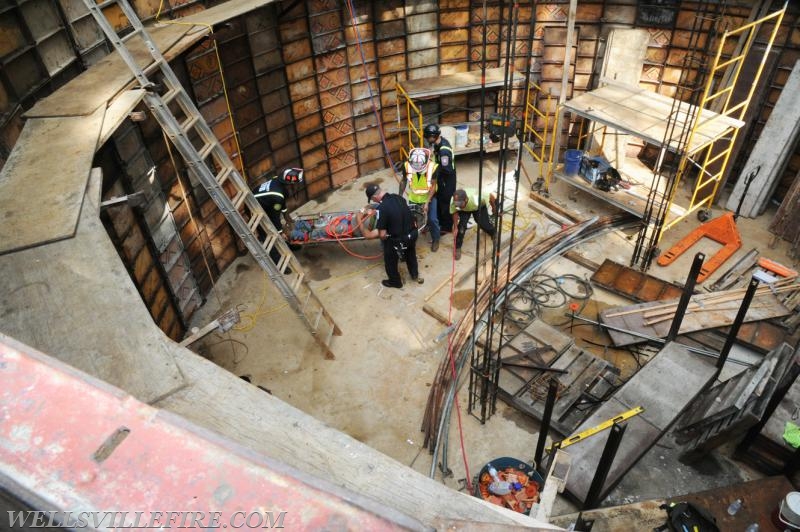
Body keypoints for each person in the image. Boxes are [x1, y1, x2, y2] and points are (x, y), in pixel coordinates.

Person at [366, 184, 424, 288]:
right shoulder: (399, 197)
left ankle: (395, 282)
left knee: (389, 258)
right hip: (412, 234)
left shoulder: (381, 208)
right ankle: (414, 274)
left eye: (372, 200)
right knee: (410, 253)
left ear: (374, 198)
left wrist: (384, 235)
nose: (374, 202)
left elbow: (382, 234)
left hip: (399, 240)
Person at [252, 168, 304, 267]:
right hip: (255, 207)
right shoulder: (277, 195)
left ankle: (288, 245)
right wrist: (280, 232)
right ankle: (278, 263)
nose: (296, 186)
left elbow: (281, 202)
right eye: (296, 183)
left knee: (279, 228)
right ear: (290, 183)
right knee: (269, 234)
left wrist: (287, 216)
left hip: (265, 202)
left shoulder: (278, 181)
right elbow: (275, 217)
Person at [401, 147, 440, 252]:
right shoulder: (406, 166)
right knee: (413, 221)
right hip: (414, 197)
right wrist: (399, 197)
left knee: (432, 219)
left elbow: (433, 186)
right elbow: (403, 181)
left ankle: (436, 239)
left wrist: (427, 202)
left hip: (430, 197)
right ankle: (413, 239)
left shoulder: (433, 167)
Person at [424, 124, 456, 235]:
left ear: (434, 136)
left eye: (428, 137)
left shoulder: (444, 151)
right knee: (439, 200)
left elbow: (447, 169)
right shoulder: (438, 143)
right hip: (442, 178)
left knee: (445, 203)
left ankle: (446, 227)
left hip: (447, 180)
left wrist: (433, 170)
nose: (427, 139)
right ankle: (439, 221)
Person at [450, 188, 497, 260]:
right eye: (456, 204)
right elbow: (455, 212)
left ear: (466, 199)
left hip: (478, 207)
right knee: (461, 228)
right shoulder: (455, 202)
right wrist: (455, 227)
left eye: (459, 204)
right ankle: (457, 247)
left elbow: (491, 197)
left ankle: (493, 233)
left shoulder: (477, 198)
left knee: (483, 223)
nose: (457, 206)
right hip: (464, 210)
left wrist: (494, 207)